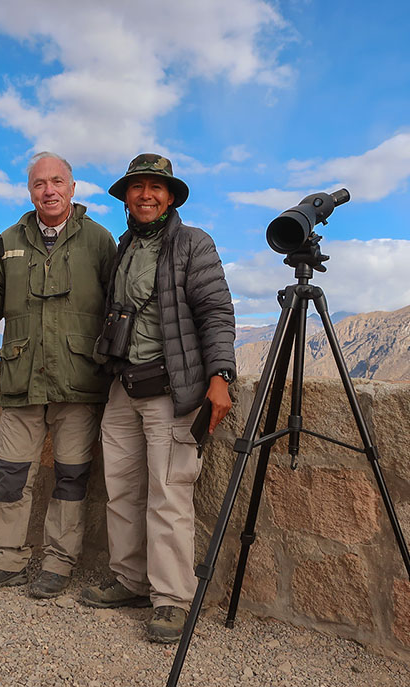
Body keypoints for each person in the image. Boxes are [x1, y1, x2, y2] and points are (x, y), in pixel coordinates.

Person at [80, 153, 236, 643]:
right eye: (137, 187)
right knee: (122, 489)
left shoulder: (193, 243)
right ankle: (128, 579)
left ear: (170, 196)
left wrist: (220, 376)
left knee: (169, 494)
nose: (146, 195)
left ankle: (171, 599)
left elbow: (215, 311)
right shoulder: (125, 245)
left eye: (156, 187)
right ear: (126, 196)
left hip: (172, 389)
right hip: (124, 387)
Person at [0, 152, 117, 598]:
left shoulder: (100, 241)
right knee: (11, 474)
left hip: (78, 380)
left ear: (72, 187)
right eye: (39, 184)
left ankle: (59, 564)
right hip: (23, 380)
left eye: (57, 181)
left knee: (71, 476)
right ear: (30, 191)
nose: (49, 190)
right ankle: (6, 559)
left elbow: (115, 307)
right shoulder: (8, 241)